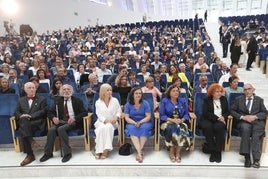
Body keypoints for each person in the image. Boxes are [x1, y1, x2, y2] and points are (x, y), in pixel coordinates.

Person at [39, 84, 87, 163]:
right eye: (64, 89)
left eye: (68, 89)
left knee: (61, 129)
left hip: (72, 122)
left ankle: (67, 153)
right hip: (60, 121)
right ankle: (48, 153)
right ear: (61, 91)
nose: (66, 91)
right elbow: (50, 112)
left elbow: (84, 113)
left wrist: (74, 118)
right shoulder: (57, 100)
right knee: (51, 130)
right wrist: (53, 118)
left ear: (71, 91)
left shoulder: (77, 100)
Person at [230, 83, 267, 168]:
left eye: (249, 89)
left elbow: (264, 112)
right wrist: (243, 117)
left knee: (256, 134)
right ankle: (247, 157)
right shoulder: (238, 99)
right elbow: (232, 111)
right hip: (244, 122)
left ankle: (256, 160)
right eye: (245, 89)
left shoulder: (259, 100)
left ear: (253, 89)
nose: (247, 91)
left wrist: (255, 116)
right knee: (245, 129)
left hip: (257, 122)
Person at [14, 82, 47, 166]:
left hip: (37, 123)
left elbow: (43, 111)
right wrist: (22, 115)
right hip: (25, 123)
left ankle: (30, 155)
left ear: (36, 89)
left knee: (23, 128)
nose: (32, 89)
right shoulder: (21, 100)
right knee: (23, 122)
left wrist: (31, 116)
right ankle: (31, 144)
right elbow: (16, 112)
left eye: (33, 87)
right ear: (25, 90)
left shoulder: (42, 99)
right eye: (29, 88)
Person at [159, 84, 191, 163]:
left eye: (177, 91)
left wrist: (182, 119)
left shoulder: (182, 101)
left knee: (183, 128)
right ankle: (172, 151)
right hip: (168, 122)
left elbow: (187, 114)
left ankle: (178, 153)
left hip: (180, 122)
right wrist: (173, 120)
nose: (176, 92)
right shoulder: (165, 101)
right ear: (169, 93)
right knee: (172, 128)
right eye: (173, 91)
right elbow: (162, 115)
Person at [200, 83, 230, 163]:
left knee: (219, 127)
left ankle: (218, 151)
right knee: (207, 127)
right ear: (212, 92)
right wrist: (218, 118)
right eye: (217, 91)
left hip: (221, 120)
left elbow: (227, 111)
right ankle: (213, 150)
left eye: (220, 91)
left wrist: (223, 117)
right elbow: (206, 113)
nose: (219, 93)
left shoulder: (224, 99)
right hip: (209, 119)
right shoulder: (207, 100)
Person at [124, 87, 152, 163]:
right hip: (132, 122)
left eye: (140, 93)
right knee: (132, 129)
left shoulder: (145, 103)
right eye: (136, 93)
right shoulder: (128, 104)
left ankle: (139, 152)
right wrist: (134, 123)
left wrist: (140, 122)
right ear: (132, 95)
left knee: (144, 128)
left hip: (144, 122)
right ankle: (140, 152)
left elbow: (148, 116)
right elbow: (126, 117)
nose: (138, 95)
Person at [94, 84, 122, 159]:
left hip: (113, 122)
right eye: (107, 90)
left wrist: (116, 117)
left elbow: (119, 111)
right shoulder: (98, 102)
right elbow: (98, 114)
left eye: (110, 90)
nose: (110, 92)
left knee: (109, 126)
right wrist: (105, 120)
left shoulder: (115, 100)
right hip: (101, 122)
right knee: (101, 129)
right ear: (103, 92)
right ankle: (99, 149)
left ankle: (105, 150)